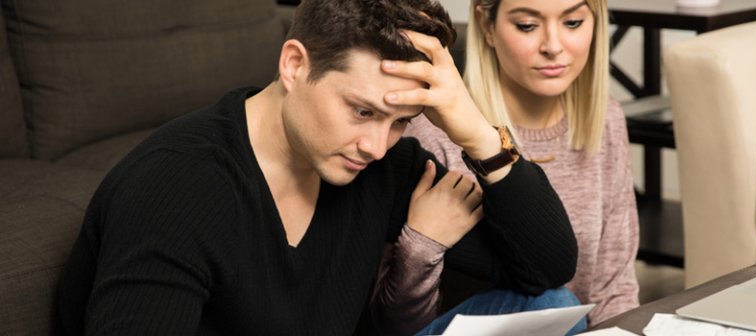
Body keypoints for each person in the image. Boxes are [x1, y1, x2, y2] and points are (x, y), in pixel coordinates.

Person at [54, 0, 579, 335]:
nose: (377, 144)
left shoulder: (382, 164)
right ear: (294, 65)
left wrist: (474, 130)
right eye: (363, 110)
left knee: (553, 303)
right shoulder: (175, 189)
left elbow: (545, 268)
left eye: (402, 121)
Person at [384, 0, 641, 330]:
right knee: (551, 302)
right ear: (488, 26)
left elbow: (615, 288)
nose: (553, 47)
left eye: (573, 23)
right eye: (527, 26)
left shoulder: (606, 120)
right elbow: (397, 324)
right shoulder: (431, 135)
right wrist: (421, 245)